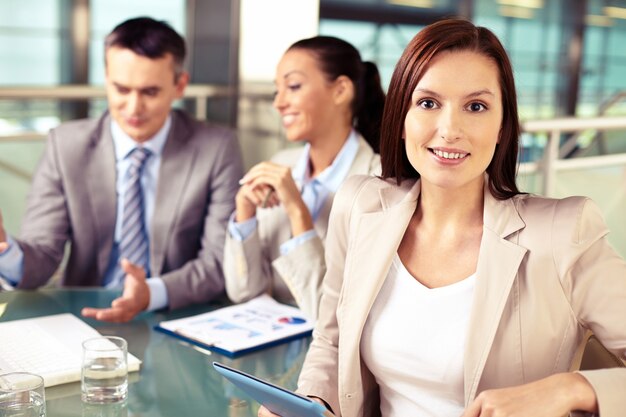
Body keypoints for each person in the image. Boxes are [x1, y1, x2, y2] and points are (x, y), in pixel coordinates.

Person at [260, 18, 626, 417]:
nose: (449, 129)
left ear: (503, 126)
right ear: (401, 118)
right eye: (428, 103)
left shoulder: (562, 234)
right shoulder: (361, 206)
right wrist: (311, 403)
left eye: (476, 106)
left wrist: (569, 389)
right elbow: (331, 341)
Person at [0, 17, 243, 322]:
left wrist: (150, 293)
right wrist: (5, 249)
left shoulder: (217, 148)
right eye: (121, 89)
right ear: (106, 78)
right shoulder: (65, 145)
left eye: (150, 92)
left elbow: (217, 262)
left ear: (180, 85)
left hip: (174, 315)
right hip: (83, 317)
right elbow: (44, 254)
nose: (133, 107)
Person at [223, 36, 385, 320]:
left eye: (294, 87)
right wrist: (244, 213)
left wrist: (299, 213)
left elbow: (332, 316)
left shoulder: (380, 184)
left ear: (340, 91)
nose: (279, 103)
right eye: (277, 90)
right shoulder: (280, 164)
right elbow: (244, 293)